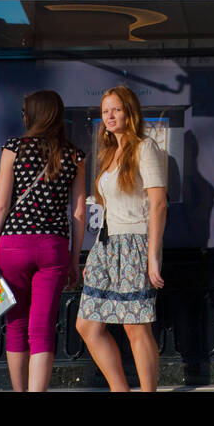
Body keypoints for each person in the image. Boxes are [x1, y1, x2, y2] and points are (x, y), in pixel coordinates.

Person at [0, 89, 86, 392]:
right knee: (41, 329)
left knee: (15, 325)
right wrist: (74, 257)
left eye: (24, 112)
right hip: (52, 248)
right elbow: (78, 211)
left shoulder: (13, 148)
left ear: (33, 115)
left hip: (13, 245)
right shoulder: (74, 155)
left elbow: (0, 204)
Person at [75, 85, 168, 391]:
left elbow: (158, 203)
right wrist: (94, 255)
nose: (110, 116)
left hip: (135, 242)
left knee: (135, 325)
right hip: (106, 244)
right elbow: (104, 209)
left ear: (129, 113)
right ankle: (120, 388)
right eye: (105, 111)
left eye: (116, 109)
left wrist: (153, 256)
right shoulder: (110, 154)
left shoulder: (145, 148)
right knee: (87, 324)